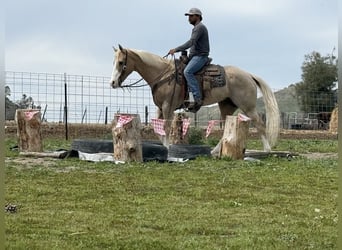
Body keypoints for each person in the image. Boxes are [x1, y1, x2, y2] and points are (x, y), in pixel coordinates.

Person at [168, 7, 210, 112]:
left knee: (187, 72)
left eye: (191, 16)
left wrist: (176, 49)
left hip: (200, 56)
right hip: (195, 56)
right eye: (189, 16)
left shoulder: (200, 27)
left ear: (198, 16)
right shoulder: (196, 28)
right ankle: (188, 98)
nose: (189, 18)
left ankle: (197, 98)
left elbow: (191, 42)